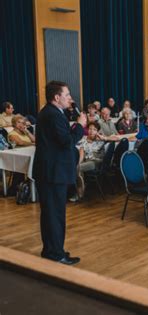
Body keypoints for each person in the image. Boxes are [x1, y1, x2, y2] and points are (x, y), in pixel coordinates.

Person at [33, 80, 86, 265]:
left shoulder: (52, 112)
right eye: (67, 95)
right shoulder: (53, 115)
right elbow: (66, 141)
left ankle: (52, 250)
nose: (70, 99)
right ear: (57, 97)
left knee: (51, 214)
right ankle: (55, 253)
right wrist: (80, 126)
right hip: (52, 173)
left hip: (50, 172)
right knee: (54, 215)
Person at [74, 121, 106, 200]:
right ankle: (79, 191)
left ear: (97, 131)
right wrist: (78, 163)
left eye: (94, 129)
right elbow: (81, 151)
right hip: (86, 160)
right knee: (77, 167)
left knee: (78, 168)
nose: (91, 131)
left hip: (96, 162)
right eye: (90, 129)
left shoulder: (100, 139)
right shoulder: (83, 139)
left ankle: (80, 193)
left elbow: (115, 138)